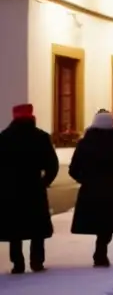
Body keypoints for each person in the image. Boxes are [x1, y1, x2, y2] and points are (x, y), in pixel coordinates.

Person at [68, 110, 113, 268]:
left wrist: (85, 180)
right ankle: (101, 249)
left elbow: (73, 169)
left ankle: (100, 249)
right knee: (109, 222)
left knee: (97, 220)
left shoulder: (85, 143)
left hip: (90, 189)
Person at [0, 104, 59, 274]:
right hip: (34, 187)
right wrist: (45, 181)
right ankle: (37, 261)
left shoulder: (4, 137)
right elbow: (52, 165)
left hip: (9, 189)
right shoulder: (40, 137)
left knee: (14, 227)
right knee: (37, 227)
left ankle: (17, 263)